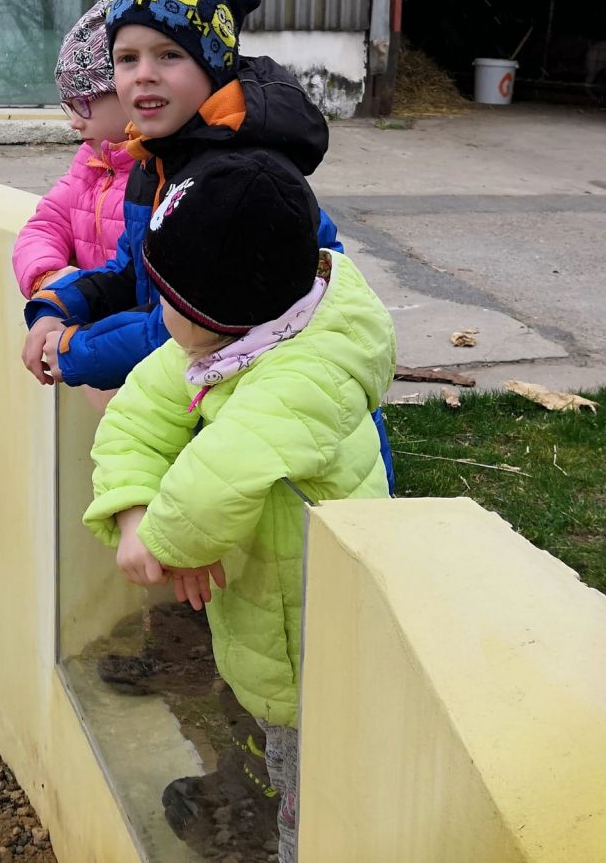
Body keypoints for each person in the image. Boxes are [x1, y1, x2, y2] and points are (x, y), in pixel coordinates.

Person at [82, 155, 396, 863]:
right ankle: (263, 799)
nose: (159, 316)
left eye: (168, 299)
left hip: (319, 639)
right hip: (269, 612)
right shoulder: (234, 338)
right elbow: (135, 417)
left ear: (214, 312)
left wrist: (165, 543)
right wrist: (135, 511)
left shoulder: (311, 370)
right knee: (278, 753)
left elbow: (223, 471)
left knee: (317, 795)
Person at [20, 0, 394, 489]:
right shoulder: (155, 157)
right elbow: (134, 272)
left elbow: (184, 325)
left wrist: (75, 350)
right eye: (127, 59)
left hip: (278, 427)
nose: (143, 75)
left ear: (214, 63)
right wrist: (59, 305)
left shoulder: (237, 181)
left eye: (169, 55)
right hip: (210, 400)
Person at [12, 0, 135, 299]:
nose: (74, 122)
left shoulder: (160, 170)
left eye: (82, 104)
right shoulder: (91, 163)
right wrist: (47, 276)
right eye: (69, 107)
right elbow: (46, 224)